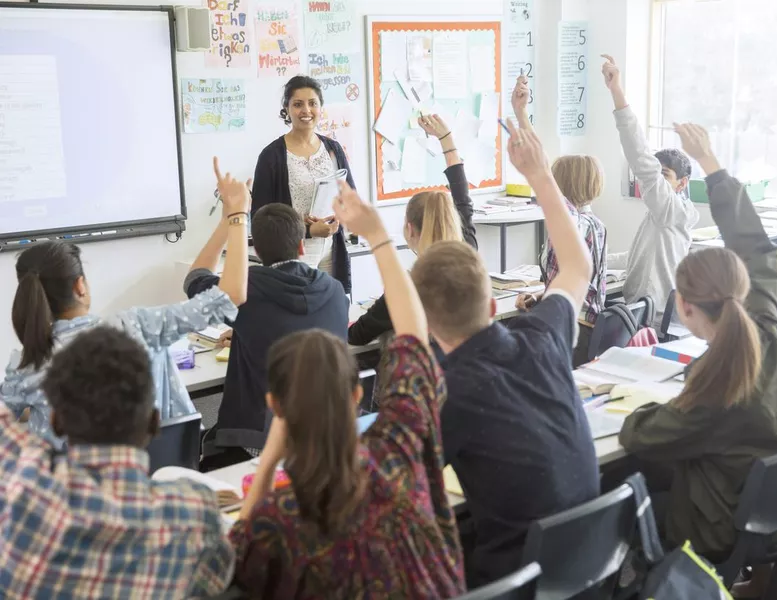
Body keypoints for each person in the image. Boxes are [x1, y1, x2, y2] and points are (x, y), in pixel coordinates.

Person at [228, 179, 465, 598]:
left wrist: (266, 464)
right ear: (357, 394)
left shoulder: (277, 519)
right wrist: (377, 236)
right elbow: (413, 332)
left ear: (275, 406)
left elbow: (230, 562)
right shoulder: (402, 450)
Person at [410, 119, 600, 587]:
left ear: (429, 326)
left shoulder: (446, 393)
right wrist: (539, 174)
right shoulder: (543, 338)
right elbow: (577, 265)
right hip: (592, 566)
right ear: (494, 305)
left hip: (517, 580)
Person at [618, 123, 777, 562]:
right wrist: (710, 164)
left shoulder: (716, 381)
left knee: (623, 492)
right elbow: (757, 247)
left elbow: (640, 434)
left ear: (684, 307)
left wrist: (639, 404)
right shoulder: (775, 329)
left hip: (716, 528)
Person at [0, 158, 249, 448]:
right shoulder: (137, 326)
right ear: (80, 285)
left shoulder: (25, 364)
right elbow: (231, 295)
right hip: (159, 476)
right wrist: (237, 215)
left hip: (72, 488)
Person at [0, 325, 234, 598]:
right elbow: (217, 581)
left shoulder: (21, 491)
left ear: (56, 421)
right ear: (154, 423)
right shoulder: (195, 514)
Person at [184, 200, 349, 469]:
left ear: (257, 251)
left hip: (261, 443)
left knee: (204, 447)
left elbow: (194, 279)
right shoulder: (335, 290)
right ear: (301, 246)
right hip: (325, 436)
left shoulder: (246, 291)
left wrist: (230, 218)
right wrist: (242, 331)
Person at [347, 113, 477, 347]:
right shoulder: (469, 253)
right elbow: (463, 199)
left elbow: (357, 335)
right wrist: (446, 139)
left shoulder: (407, 287)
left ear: (409, 229)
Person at [513, 74, 607, 365]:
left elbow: (545, 176)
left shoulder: (576, 223)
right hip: (585, 327)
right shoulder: (596, 224)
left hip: (573, 332)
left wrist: (521, 116)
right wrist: (541, 299)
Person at [601, 55, 699, 328]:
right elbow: (638, 257)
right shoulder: (662, 214)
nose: (654, 181)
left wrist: (617, 92)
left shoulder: (669, 209)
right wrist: (598, 259)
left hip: (650, 321)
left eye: (663, 175)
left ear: (682, 183)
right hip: (646, 311)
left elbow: (639, 155)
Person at [251, 75, 355, 294]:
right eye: (298, 104)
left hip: (332, 247)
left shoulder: (333, 149)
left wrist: (339, 218)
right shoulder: (271, 156)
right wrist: (307, 229)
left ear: (321, 108)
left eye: (312, 103)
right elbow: (261, 220)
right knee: (303, 317)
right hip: (293, 253)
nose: (306, 110)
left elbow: (350, 198)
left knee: (332, 313)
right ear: (286, 109)